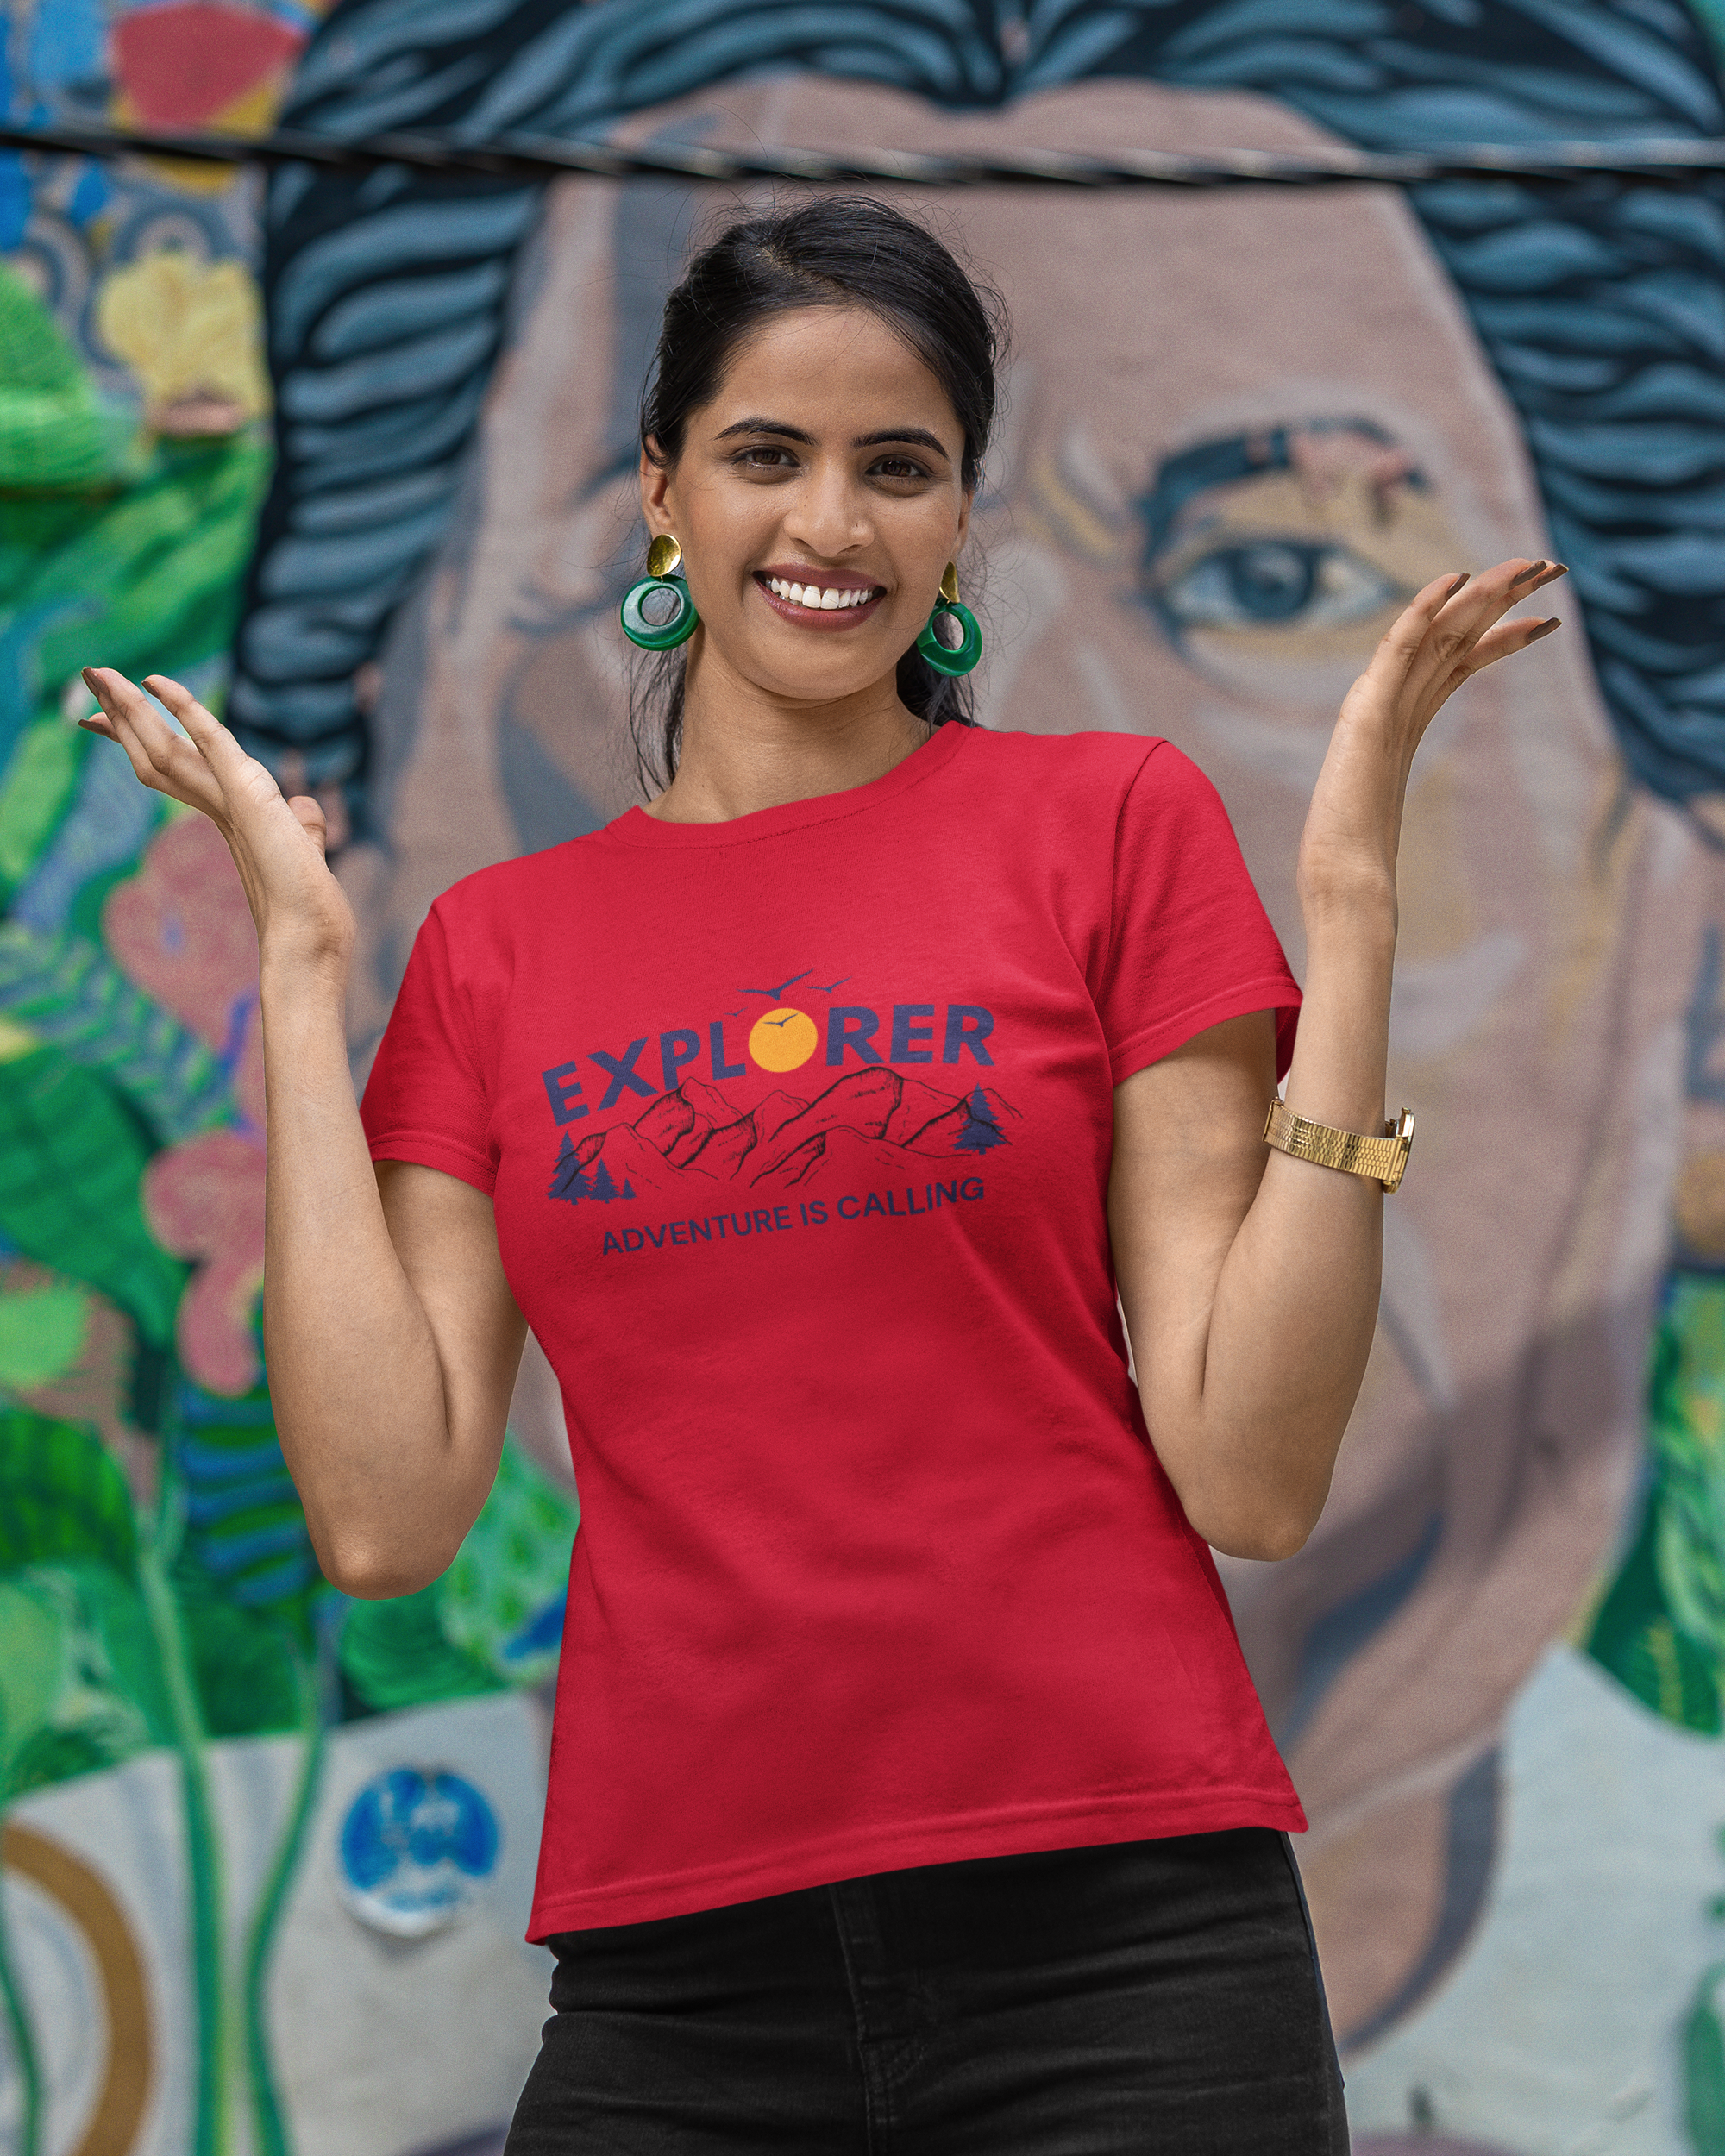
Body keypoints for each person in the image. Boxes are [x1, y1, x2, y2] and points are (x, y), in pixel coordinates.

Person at [78, 197, 1567, 2152]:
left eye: (900, 466)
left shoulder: (1107, 825)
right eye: (766, 454)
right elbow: (381, 1511)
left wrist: (1351, 923)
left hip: (1120, 1942)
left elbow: (1251, 1467)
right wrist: (294, 979)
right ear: (659, 489)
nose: (831, 525)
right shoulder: (496, 952)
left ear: (960, 518)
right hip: (679, 1971)